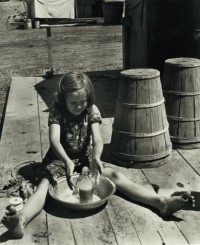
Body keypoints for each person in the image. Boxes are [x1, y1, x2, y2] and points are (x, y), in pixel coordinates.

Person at [1, 71, 195, 239]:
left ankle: (161, 202)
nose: (79, 106)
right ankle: (21, 220)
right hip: (59, 160)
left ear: (89, 98)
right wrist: (67, 161)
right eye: (73, 103)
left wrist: (95, 158)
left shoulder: (91, 110)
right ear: (63, 99)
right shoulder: (57, 111)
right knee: (44, 185)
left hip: (86, 159)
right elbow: (54, 140)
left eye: (82, 101)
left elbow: (98, 140)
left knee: (115, 176)